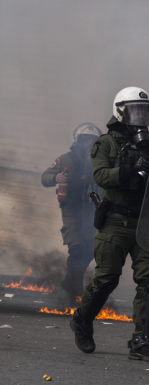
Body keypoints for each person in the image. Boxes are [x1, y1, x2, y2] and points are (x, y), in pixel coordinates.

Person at [69, 87, 149, 362]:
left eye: (146, 111)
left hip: (146, 224)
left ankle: (143, 340)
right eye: (136, 110)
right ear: (120, 111)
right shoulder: (106, 143)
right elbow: (100, 175)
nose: (142, 116)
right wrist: (129, 168)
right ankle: (82, 320)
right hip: (115, 222)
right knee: (106, 279)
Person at [41, 123, 102, 305]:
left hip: (93, 212)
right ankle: (74, 293)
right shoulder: (66, 160)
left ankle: (70, 282)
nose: (89, 144)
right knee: (76, 249)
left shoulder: (102, 162)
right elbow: (45, 177)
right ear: (78, 142)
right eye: (86, 140)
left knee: (91, 251)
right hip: (72, 211)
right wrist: (55, 178)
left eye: (93, 141)